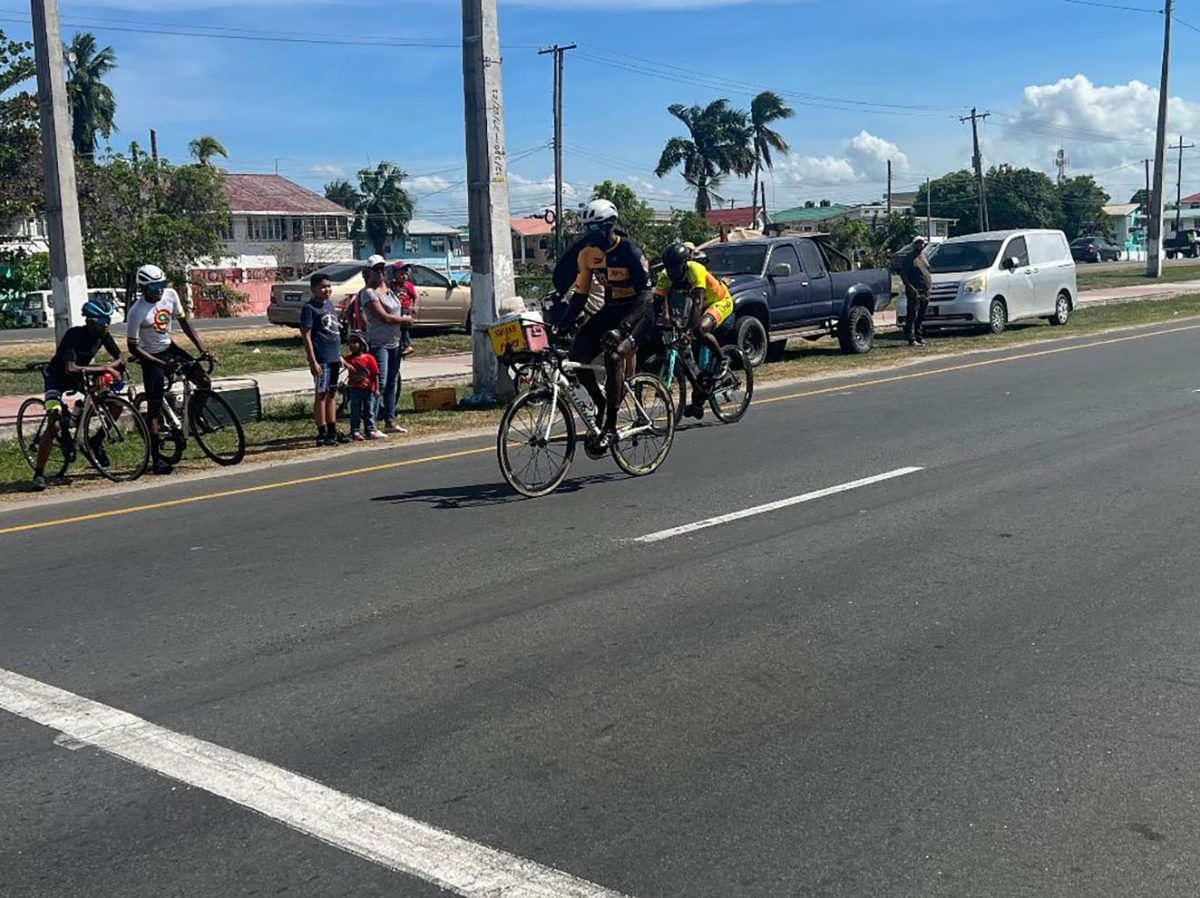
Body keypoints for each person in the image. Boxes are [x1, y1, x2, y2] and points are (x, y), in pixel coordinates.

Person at [551, 199, 654, 449]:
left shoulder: (630, 251)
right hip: (610, 309)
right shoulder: (587, 254)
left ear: (610, 226)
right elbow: (581, 294)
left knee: (614, 356)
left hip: (637, 312)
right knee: (577, 354)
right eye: (587, 229)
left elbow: (647, 295)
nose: (591, 235)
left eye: (596, 229)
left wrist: (623, 328)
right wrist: (562, 325)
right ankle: (600, 403)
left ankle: (610, 427)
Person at [126, 263, 214, 475]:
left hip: (169, 348)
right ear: (143, 288)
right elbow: (132, 347)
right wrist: (162, 365)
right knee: (154, 410)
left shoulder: (171, 295)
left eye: (162, 285)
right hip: (151, 357)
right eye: (154, 286)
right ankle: (156, 460)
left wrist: (203, 349)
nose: (159, 290)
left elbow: (185, 323)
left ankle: (194, 417)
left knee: (204, 382)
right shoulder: (136, 312)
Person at [29, 298, 125, 492]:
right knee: (55, 423)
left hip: (80, 376)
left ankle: (94, 441)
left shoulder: (103, 335)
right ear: (89, 321)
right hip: (57, 378)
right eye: (101, 322)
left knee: (115, 406)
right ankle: (39, 473)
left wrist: (106, 370)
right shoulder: (74, 336)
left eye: (108, 321)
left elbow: (121, 356)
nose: (106, 326)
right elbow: (70, 367)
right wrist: (104, 367)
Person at [655, 241, 733, 382]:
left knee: (700, 329)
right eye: (669, 268)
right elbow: (659, 299)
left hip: (719, 301)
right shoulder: (665, 275)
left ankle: (722, 359)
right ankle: (700, 383)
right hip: (700, 304)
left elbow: (697, 303)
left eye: (675, 269)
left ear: (684, 264)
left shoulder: (696, 270)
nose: (672, 273)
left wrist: (689, 330)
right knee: (682, 342)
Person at [360, 255, 414, 434]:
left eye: (383, 269)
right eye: (377, 269)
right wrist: (404, 320)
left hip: (395, 342)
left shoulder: (389, 290)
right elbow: (384, 317)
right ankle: (371, 425)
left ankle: (389, 420)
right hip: (379, 342)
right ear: (368, 273)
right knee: (379, 383)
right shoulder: (368, 293)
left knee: (392, 382)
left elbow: (401, 306)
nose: (381, 272)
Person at [301, 272, 348, 446]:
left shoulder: (329, 305)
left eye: (328, 286)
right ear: (314, 289)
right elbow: (306, 335)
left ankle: (332, 429)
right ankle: (321, 432)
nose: (327, 289)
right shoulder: (310, 308)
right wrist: (313, 361)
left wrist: (339, 355)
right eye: (322, 287)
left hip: (334, 356)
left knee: (332, 394)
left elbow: (333, 331)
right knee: (321, 394)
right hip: (322, 358)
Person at [342, 331, 382, 441]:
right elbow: (340, 361)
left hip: (368, 389)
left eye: (355, 342)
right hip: (354, 390)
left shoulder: (369, 358)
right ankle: (355, 431)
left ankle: (369, 430)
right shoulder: (349, 359)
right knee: (355, 411)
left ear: (362, 344)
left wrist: (377, 388)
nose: (352, 345)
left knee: (369, 411)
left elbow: (375, 374)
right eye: (350, 343)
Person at [895, 236, 933, 346]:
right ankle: (911, 339)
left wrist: (929, 287)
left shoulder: (923, 256)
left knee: (921, 315)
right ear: (913, 245)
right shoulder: (909, 258)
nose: (919, 245)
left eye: (921, 243)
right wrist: (911, 288)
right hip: (915, 291)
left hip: (925, 291)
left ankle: (919, 336)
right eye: (917, 243)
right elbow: (903, 275)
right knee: (912, 315)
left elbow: (927, 271)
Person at [390, 262, 418, 357]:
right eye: (401, 274)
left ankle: (407, 345)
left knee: (403, 328)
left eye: (406, 274)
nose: (404, 276)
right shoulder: (391, 285)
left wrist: (413, 306)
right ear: (394, 274)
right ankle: (401, 345)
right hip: (395, 308)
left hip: (404, 308)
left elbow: (414, 297)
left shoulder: (408, 285)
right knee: (399, 328)